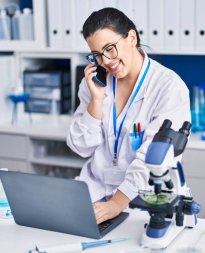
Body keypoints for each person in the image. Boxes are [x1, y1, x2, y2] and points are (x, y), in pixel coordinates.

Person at [67, 7, 190, 224]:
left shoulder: (168, 87)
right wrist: (96, 101)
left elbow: (153, 157)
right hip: (95, 197)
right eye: (96, 55)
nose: (105, 61)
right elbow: (80, 146)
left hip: (144, 202)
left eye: (110, 49)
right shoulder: (94, 84)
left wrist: (116, 203)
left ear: (131, 38)